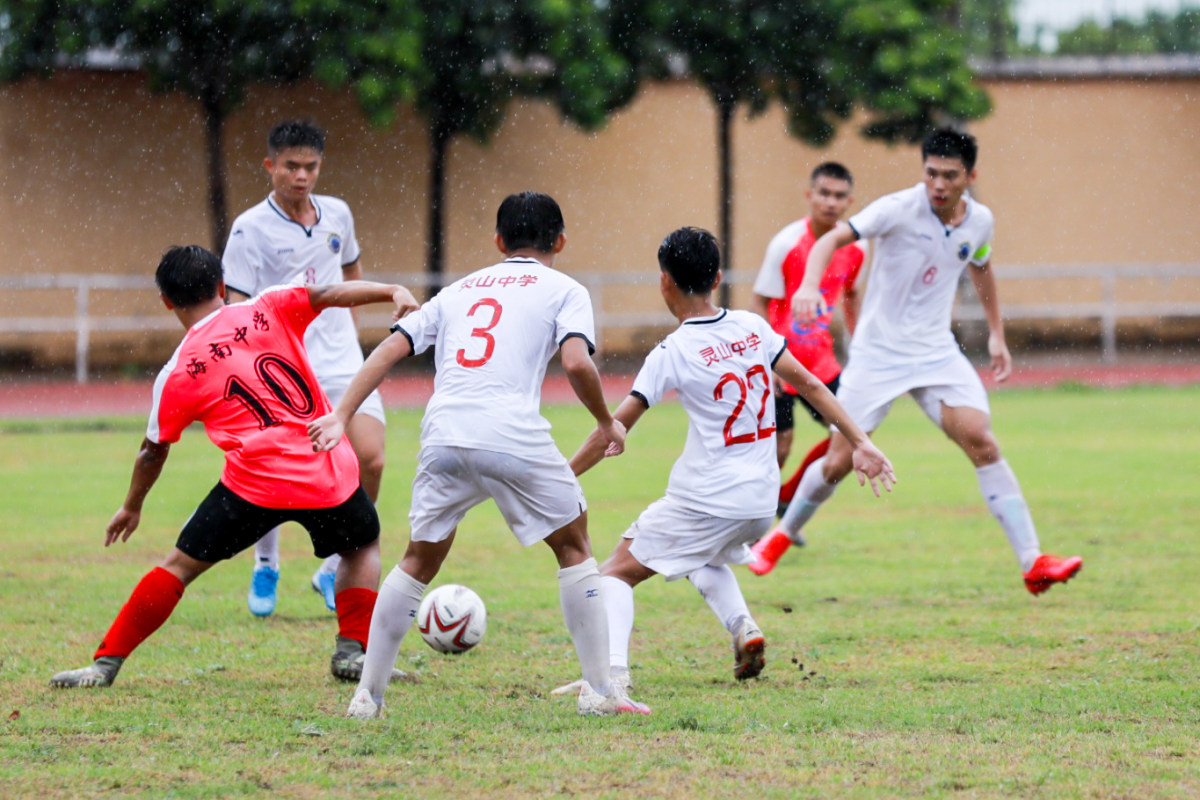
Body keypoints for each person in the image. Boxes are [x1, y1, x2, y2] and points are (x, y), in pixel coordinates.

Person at [308, 192, 649, 718]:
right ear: (559, 241)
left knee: (418, 558)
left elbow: (392, 347)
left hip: (443, 432)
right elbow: (578, 363)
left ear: (498, 241)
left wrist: (341, 413)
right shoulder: (565, 288)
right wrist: (607, 422)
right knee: (575, 543)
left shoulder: (458, 290)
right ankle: (601, 694)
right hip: (509, 429)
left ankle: (366, 698)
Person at [50, 245, 420, 689]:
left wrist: (132, 506)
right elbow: (329, 292)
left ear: (167, 301)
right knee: (361, 546)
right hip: (324, 470)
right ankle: (351, 653)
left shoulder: (178, 372)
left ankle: (105, 664)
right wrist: (389, 290)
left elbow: (153, 451)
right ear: (221, 287)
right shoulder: (269, 306)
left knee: (179, 567)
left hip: (252, 487)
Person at [548, 228, 895, 698]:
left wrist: (560, 477)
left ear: (664, 281)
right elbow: (813, 386)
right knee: (702, 555)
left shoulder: (673, 350)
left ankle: (609, 681)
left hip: (708, 497)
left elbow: (613, 428)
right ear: (717, 277)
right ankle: (743, 627)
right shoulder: (753, 327)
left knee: (615, 574)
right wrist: (860, 442)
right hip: (758, 501)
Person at [754, 128, 1083, 596]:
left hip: (934, 351)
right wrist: (808, 284)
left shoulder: (980, 221)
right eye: (931, 173)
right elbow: (830, 240)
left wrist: (996, 332)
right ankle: (780, 536)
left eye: (950, 176)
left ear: (971, 175)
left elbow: (982, 266)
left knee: (981, 441)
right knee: (838, 461)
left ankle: (1033, 562)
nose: (939, 185)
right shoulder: (896, 209)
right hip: (878, 353)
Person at [223, 119, 386, 616]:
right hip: (282, 369)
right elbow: (236, 305)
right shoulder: (250, 228)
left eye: (310, 166)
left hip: (341, 361)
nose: (301, 176)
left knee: (371, 459)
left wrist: (351, 331)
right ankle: (267, 562)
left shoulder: (338, 213)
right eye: (291, 166)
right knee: (276, 473)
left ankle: (336, 565)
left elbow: (352, 271)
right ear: (270, 166)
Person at [747, 162, 865, 574]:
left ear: (850, 201)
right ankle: (756, 527)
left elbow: (850, 295)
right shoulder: (786, 243)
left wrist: (860, 340)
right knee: (778, 449)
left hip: (822, 363)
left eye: (839, 196)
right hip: (781, 365)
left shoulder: (855, 247)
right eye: (824, 193)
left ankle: (788, 503)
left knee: (847, 437)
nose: (831, 202)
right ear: (810, 195)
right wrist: (769, 360)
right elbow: (760, 303)